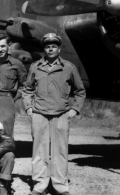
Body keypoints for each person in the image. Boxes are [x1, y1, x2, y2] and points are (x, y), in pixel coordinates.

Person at [22, 33, 86, 195]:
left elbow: (80, 90)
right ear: (44, 49)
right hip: (39, 114)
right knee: (39, 151)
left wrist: (74, 109)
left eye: (54, 46)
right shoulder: (36, 66)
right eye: (47, 46)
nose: (50, 48)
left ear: (59, 49)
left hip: (61, 114)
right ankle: (39, 185)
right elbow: (27, 89)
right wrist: (29, 108)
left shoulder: (68, 67)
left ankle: (60, 186)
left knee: (60, 151)